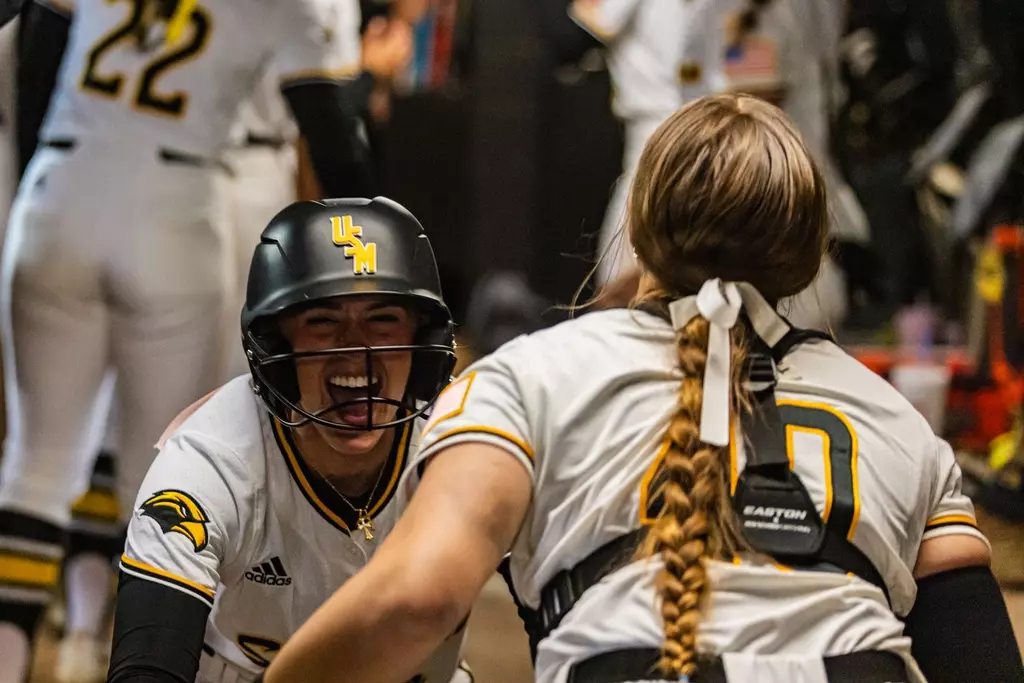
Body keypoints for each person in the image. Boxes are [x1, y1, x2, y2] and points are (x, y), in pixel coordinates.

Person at [259, 95, 1023, 683]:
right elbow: (981, 662)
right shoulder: (897, 418)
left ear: (637, 222)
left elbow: (415, 601)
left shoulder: (525, 377)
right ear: (809, 250)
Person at [0, 0, 407, 679]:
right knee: (159, 472)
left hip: (60, 184)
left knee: (35, 467)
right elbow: (332, 135)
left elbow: (36, 43)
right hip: (179, 204)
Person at [105, 196, 469, 683]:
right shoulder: (209, 462)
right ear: (276, 345)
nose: (355, 348)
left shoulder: (464, 443)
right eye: (323, 322)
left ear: (423, 343)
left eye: (382, 319)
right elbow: (147, 670)